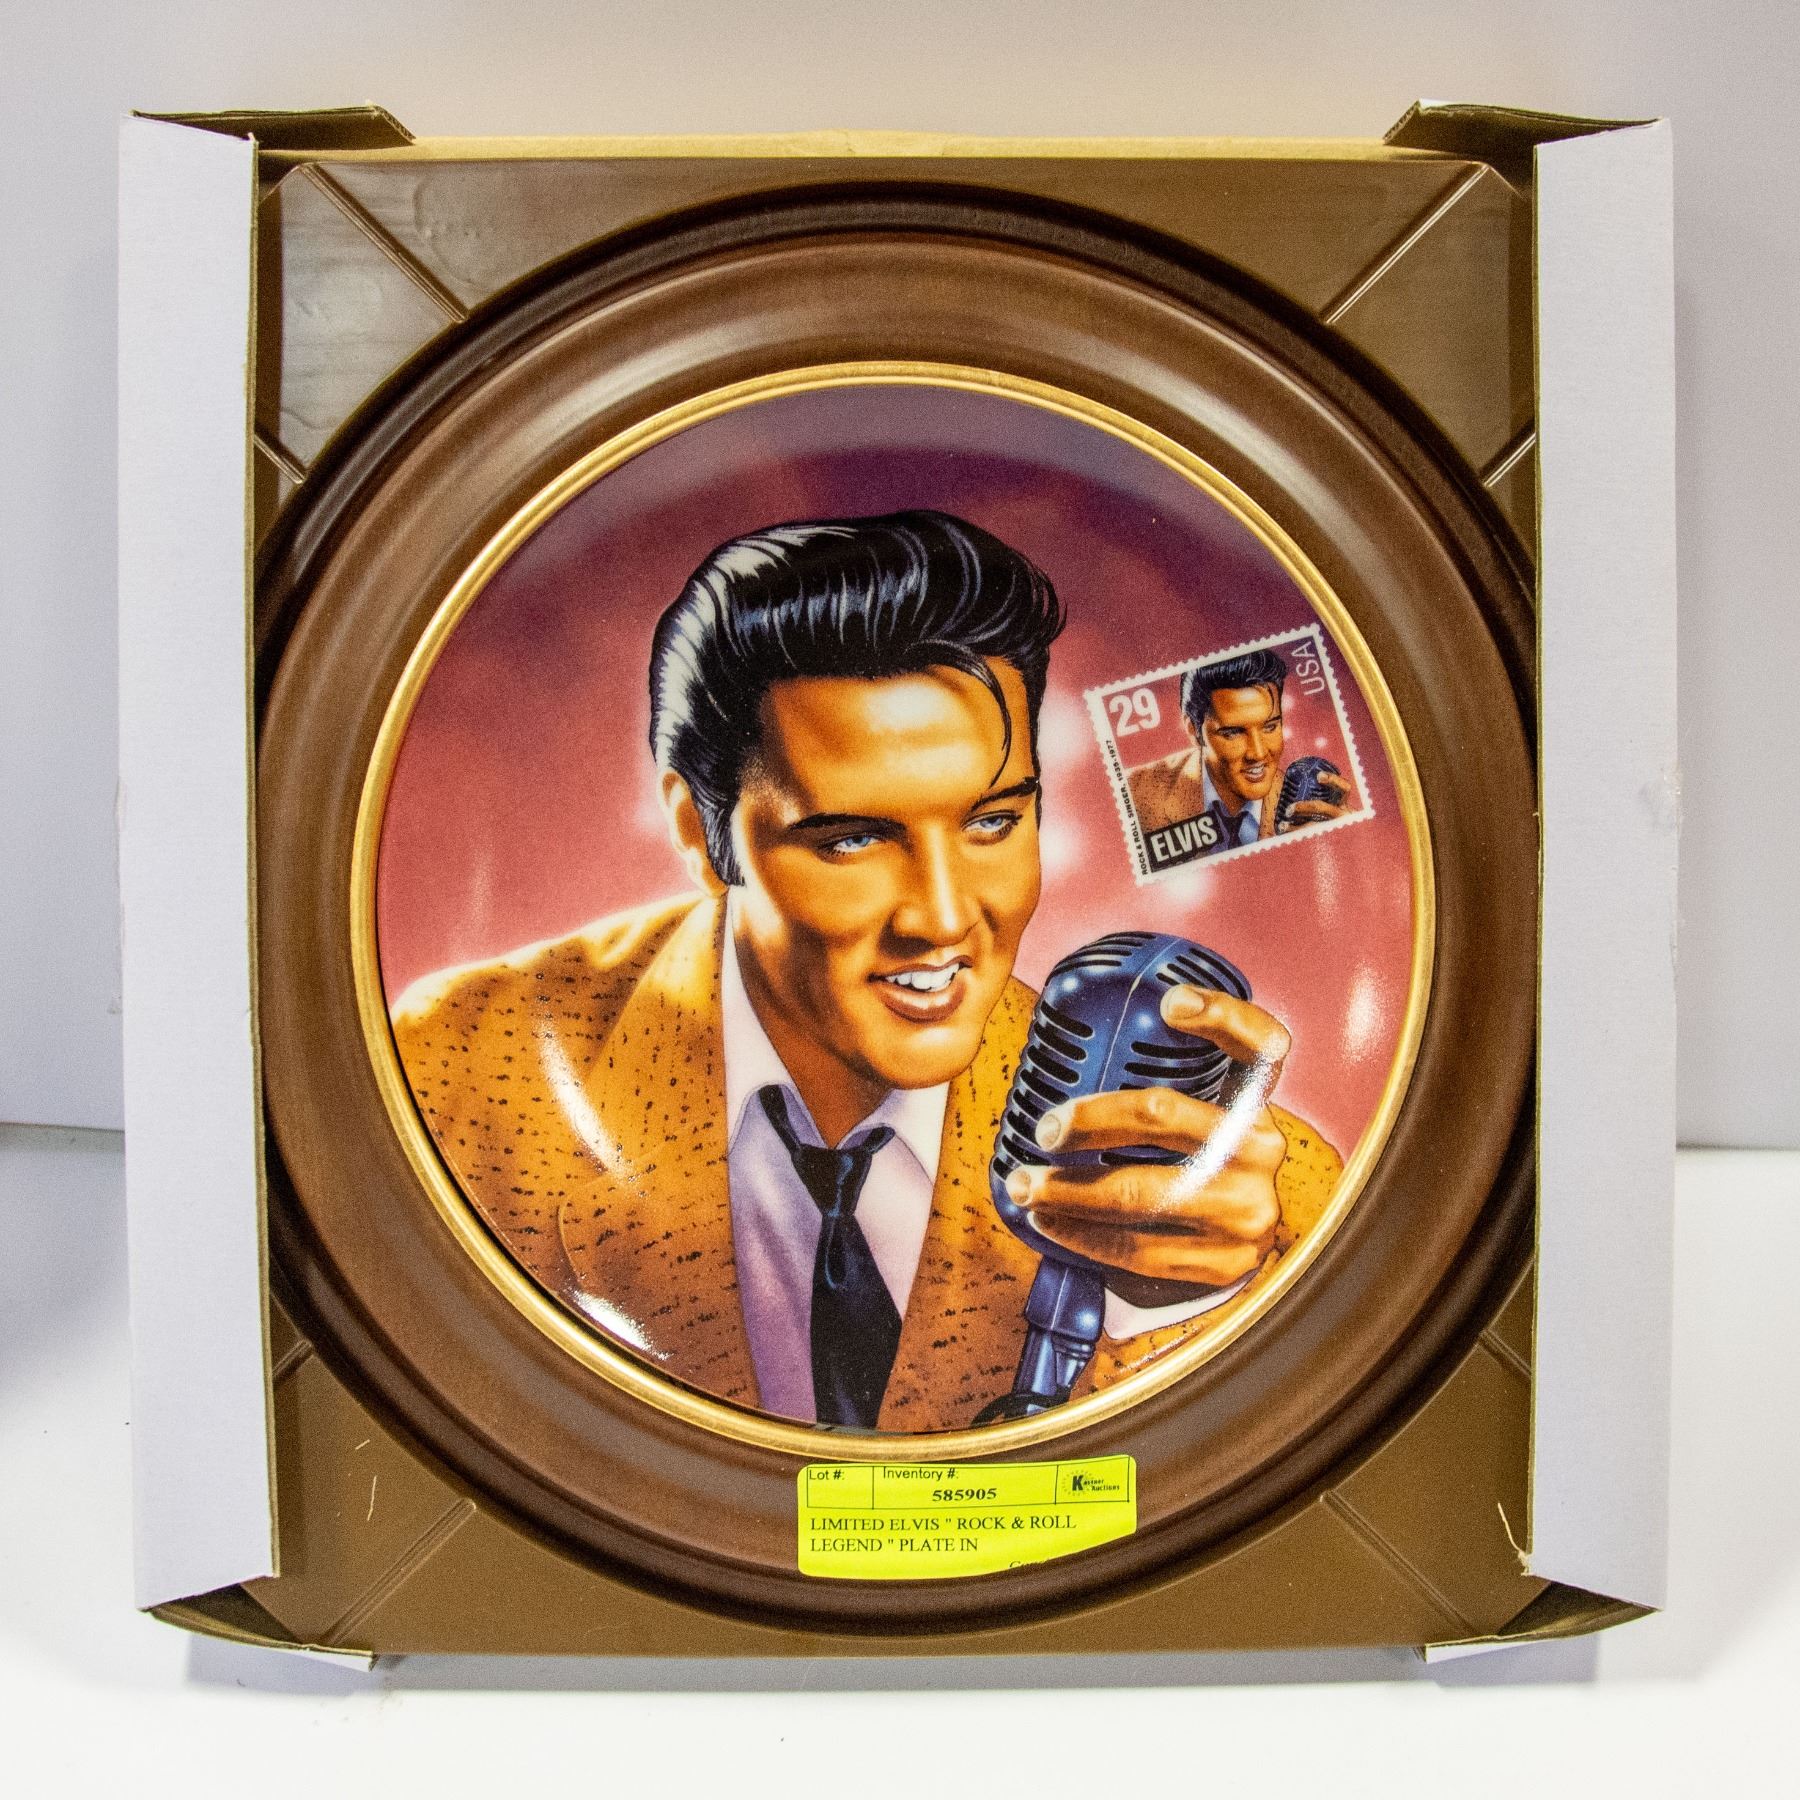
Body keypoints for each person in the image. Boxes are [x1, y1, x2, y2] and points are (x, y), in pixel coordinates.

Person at [394, 513, 1342, 1432]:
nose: (941, 917)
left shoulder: (1264, 1202)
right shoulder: (456, 1078)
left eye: (993, 823)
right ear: (698, 830)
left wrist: (1167, 1307)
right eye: (851, 839)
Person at [1126, 648, 1354, 849]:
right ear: (1194, 731)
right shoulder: (1134, 796)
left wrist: (1349, 839)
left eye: (1270, 727)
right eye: (1233, 733)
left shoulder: (1305, 811)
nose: (1258, 753)